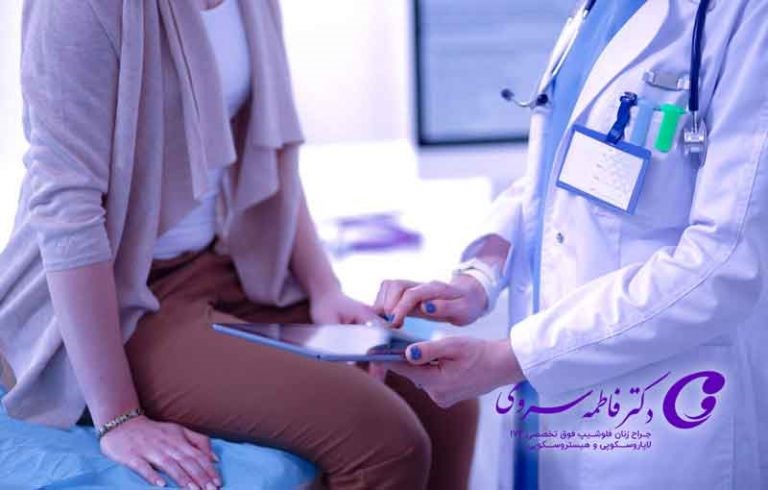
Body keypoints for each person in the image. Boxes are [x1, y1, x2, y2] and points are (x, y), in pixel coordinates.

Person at [0, 1, 478, 489]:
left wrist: (323, 288)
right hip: (119, 298)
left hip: (216, 263)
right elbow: (66, 209)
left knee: (447, 396)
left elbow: (268, 147)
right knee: (385, 439)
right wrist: (119, 418)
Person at [374, 0, 768, 488]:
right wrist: (479, 276)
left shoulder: (744, 17)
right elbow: (559, 175)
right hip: (547, 402)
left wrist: (511, 358)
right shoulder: (601, 9)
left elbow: (724, 264)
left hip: (660, 412)